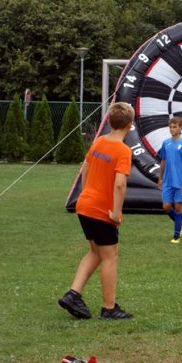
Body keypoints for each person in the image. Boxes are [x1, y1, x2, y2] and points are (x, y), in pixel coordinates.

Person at [58, 102, 135, 320]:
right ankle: (109, 308)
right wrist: (116, 213)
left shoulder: (99, 141)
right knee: (110, 256)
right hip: (102, 210)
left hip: (85, 205)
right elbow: (120, 185)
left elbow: (85, 168)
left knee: (96, 252)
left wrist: (85, 193)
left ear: (108, 121)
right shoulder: (123, 151)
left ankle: (73, 294)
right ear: (130, 126)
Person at [157, 117, 182, 244]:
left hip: (180, 181)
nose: (172, 129)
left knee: (178, 207)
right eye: (170, 127)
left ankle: (176, 236)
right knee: (166, 206)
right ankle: (180, 222)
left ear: (180, 128)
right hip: (167, 181)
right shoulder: (166, 143)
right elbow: (163, 161)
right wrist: (160, 178)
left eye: (175, 126)